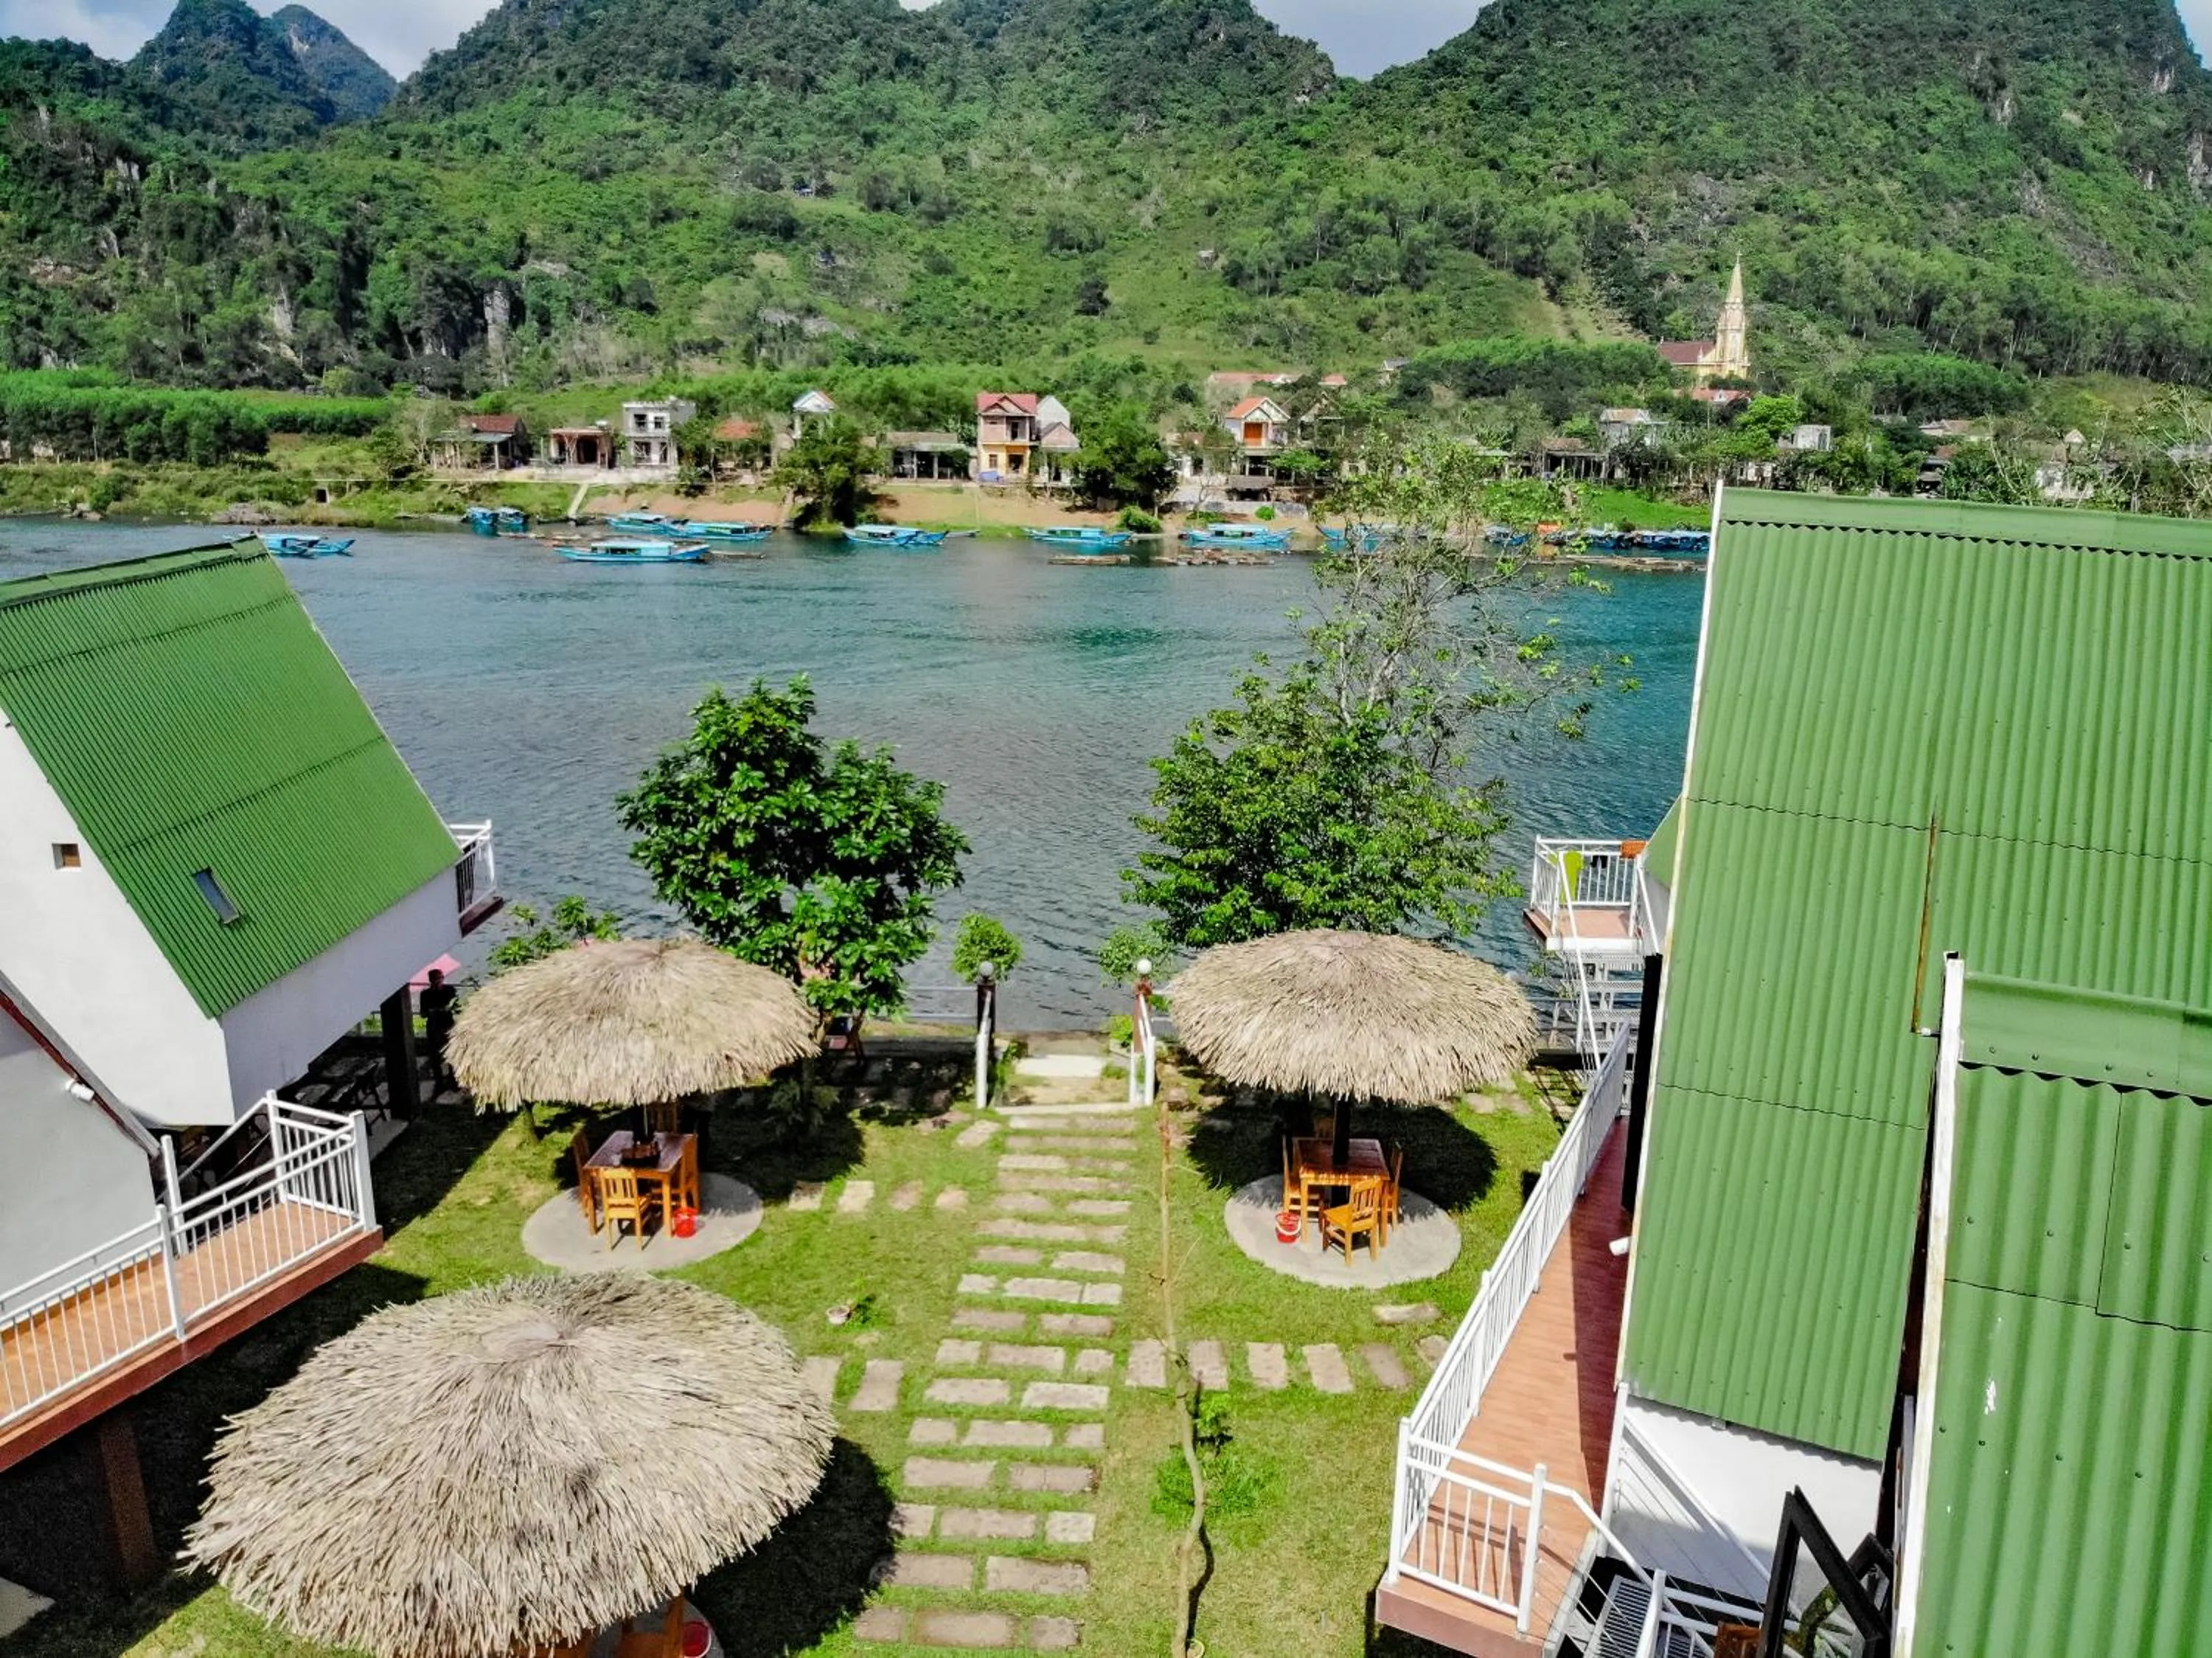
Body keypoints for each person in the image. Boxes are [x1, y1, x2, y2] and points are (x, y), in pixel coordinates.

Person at [419, 968, 458, 1099]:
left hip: (447, 1025)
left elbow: (455, 1006)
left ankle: (453, 1080)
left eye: (440, 978)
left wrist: (441, 1010)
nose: (438, 981)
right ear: (430, 981)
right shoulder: (425, 995)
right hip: (434, 1027)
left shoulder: (449, 990)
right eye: (436, 979)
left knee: (452, 1054)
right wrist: (434, 1011)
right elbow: (423, 1014)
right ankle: (439, 1081)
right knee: (435, 1056)